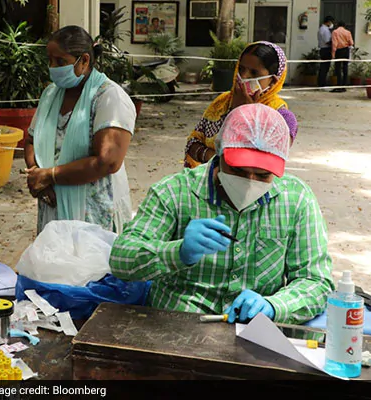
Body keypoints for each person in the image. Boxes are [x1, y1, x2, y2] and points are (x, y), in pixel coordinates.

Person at [111, 103, 334, 325]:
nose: (249, 183)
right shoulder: (174, 192)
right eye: (238, 171)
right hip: (176, 325)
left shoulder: (296, 199)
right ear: (219, 151)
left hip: (254, 332)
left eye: (263, 175)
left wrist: (275, 306)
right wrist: (177, 252)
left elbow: (316, 281)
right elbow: (121, 259)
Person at [24, 25, 136, 235]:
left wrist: (51, 175)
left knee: (92, 266)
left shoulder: (108, 97)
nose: (53, 68)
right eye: (50, 61)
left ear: (84, 60)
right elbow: (31, 140)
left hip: (93, 214)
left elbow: (107, 161)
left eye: (60, 62)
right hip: (53, 207)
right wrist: (38, 176)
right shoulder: (50, 95)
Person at [184, 41, 298, 168]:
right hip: (206, 181)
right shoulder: (221, 102)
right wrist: (217, 159)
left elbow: (263, 165)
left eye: (254, 73)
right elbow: (193, 142)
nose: (243, 76)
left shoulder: (282, 118)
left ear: (273, 81)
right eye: (241, 69)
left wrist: (244, 113)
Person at [331, 21, 354, 92]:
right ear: (344, 26)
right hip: (346, 50)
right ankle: (344, 85)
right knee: (345, 68)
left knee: (338, 68)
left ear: (337, 25)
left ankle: (339, 85)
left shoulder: (335, 32)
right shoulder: (348, 32)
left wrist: (333, 53)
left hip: (339, 51)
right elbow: (351, 43)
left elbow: (334, 43)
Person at [318, 16, 335, 88]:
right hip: (326, 50)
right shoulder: (325, 30)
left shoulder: (321, 29)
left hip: (323, 49)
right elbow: (327, 41)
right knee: (325, 67)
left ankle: (321, 82)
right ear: (328, 22)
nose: (331, 24)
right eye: (331, 22)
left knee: (323, 67)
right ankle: (322, 83)